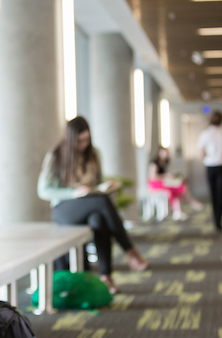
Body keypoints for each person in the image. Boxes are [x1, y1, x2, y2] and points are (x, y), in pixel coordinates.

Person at [37, 116, 149, 295]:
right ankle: (130, 251)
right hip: (64, 209)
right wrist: (73, 193)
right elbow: (43, 190)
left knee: (99, 220)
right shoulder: (56, 155)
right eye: (80, 140)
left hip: (91, 204)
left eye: (87, 139)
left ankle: (106, 276)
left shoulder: (94, 153)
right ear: (71, 139)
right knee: (103, 203)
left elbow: (97, 181)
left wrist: (107, 185)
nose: (84, 144)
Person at [197, 110, 222, 232]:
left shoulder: (205, 134)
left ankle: (215, 219)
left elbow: (202, 154)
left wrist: (210, 154)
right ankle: (219, 221)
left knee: (213, 195)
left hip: (210, 167)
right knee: (221, 194)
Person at [148, 146, 203, 221]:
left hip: (163, 182)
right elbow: (153, 177)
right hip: (155, 184)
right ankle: (187, 204)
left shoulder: (166, 161)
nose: (166, 154)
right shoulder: (155, 163)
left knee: (180, 185)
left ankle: (180, 210)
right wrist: (166, 176)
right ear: (159, 153)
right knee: (173, 189)